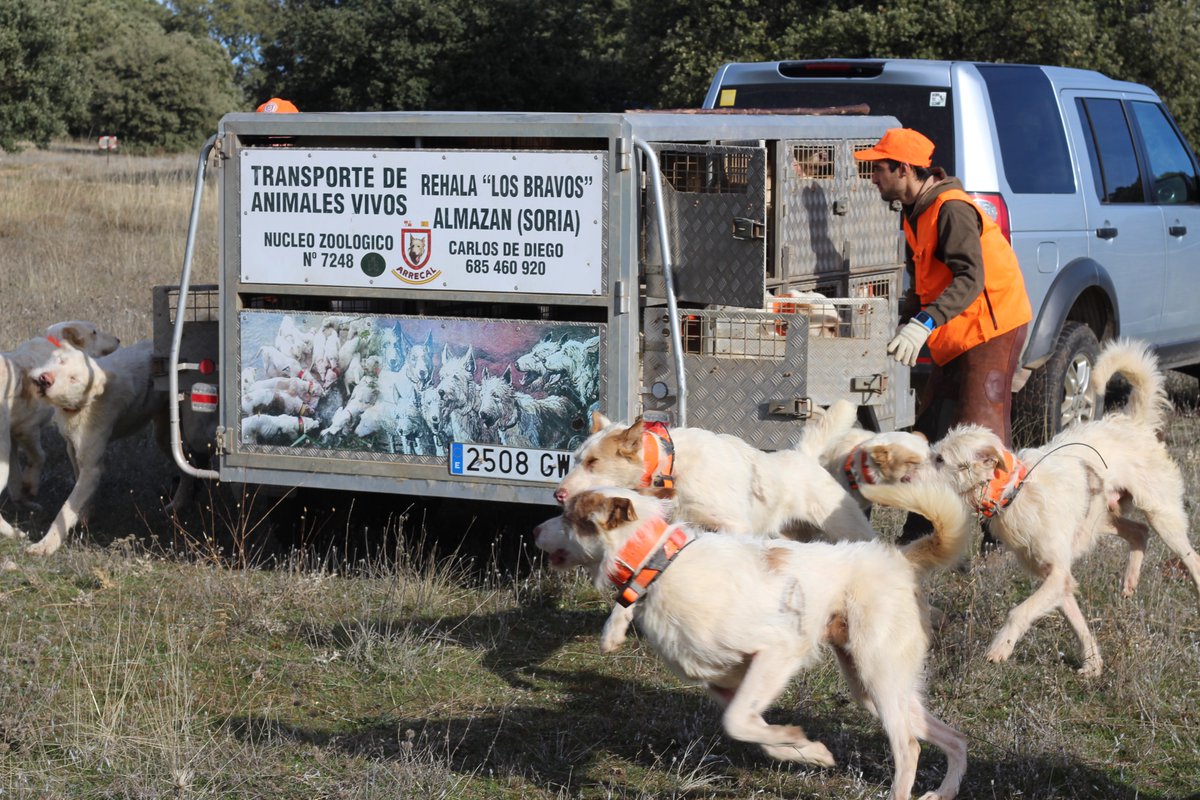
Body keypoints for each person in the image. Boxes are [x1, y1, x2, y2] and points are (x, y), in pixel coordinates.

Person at [853, 128, 1032, 543]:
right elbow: (933, 282)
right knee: (932, 429)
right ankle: (919, 531)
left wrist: (924, 323)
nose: (873, 177)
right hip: (958, 329)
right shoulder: (916, 208)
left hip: (991, 327)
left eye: (879, 169)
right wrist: (902, 315)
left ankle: (1003, 539)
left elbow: (971, 278)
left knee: (980, 438)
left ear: (904, 169)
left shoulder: (951, 209)